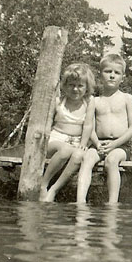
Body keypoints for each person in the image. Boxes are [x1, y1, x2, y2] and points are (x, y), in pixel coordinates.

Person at [77, 54, 132, 204]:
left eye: (116, 73)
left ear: (122, 77)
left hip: (120, 145)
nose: (112, 76)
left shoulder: (127, 98)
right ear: (100, 74)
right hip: (99, 143)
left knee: (112, 160)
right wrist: (97, 143)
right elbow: (89, 126)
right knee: (87, 158)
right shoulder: (94, 100)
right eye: (108, 71)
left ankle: (112, 203)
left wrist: (115, 144)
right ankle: (80, 201)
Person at [39, 62, 96, 202]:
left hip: (77, 140)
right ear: (65, 85)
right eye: (71, 85)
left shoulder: (88, 101)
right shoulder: (59, 101)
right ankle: (43, 184)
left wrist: (83, 143)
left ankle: (54, 189)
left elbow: (88, 125)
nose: (75, 89)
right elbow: (47, 122)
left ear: (87, 87)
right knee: (65, 150)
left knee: (78, 155)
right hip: (56, 139)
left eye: (80, 86)